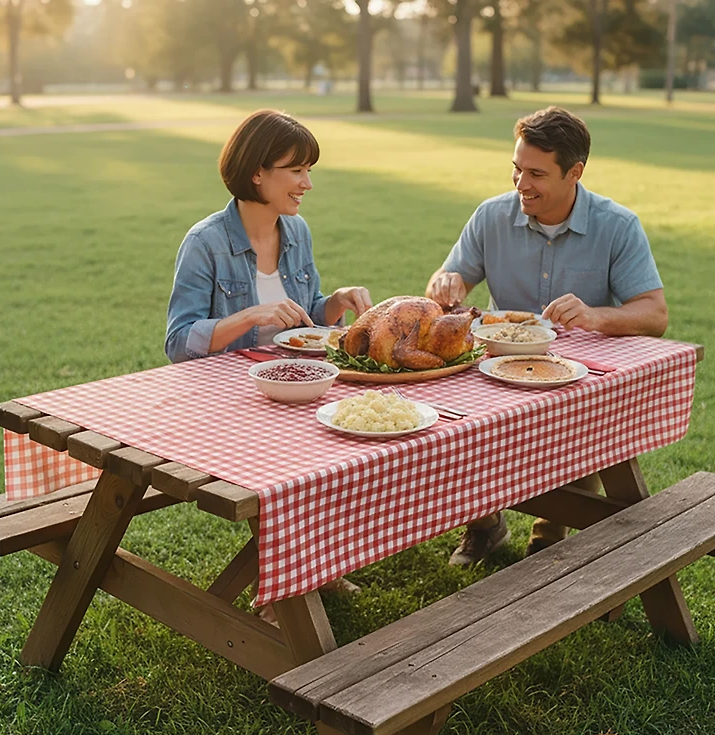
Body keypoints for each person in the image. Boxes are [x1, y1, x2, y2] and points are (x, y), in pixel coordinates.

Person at [425, 105, 668, 566]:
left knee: (589, 422)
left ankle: (549, 532)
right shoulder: (491, 216)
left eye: (536, 174)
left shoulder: (617, 226)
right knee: (456, 424)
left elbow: (655, 314)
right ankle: (484, 525)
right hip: (495, 366)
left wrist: (595, 316)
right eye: (516, 169)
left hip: (575, 375)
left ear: (574, 172)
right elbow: (449, 279)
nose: (520, 185)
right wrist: (445, 282)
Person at [165, 109, 372, 363]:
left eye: (308, 171)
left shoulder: (297, 230)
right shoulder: (205, 243)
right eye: (296, 170)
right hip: (226, 387)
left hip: (291, 377)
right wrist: (250, 316)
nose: (307, 183)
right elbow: (178, 344)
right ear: (257, 173)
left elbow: (308, 319)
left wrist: (337, 301)